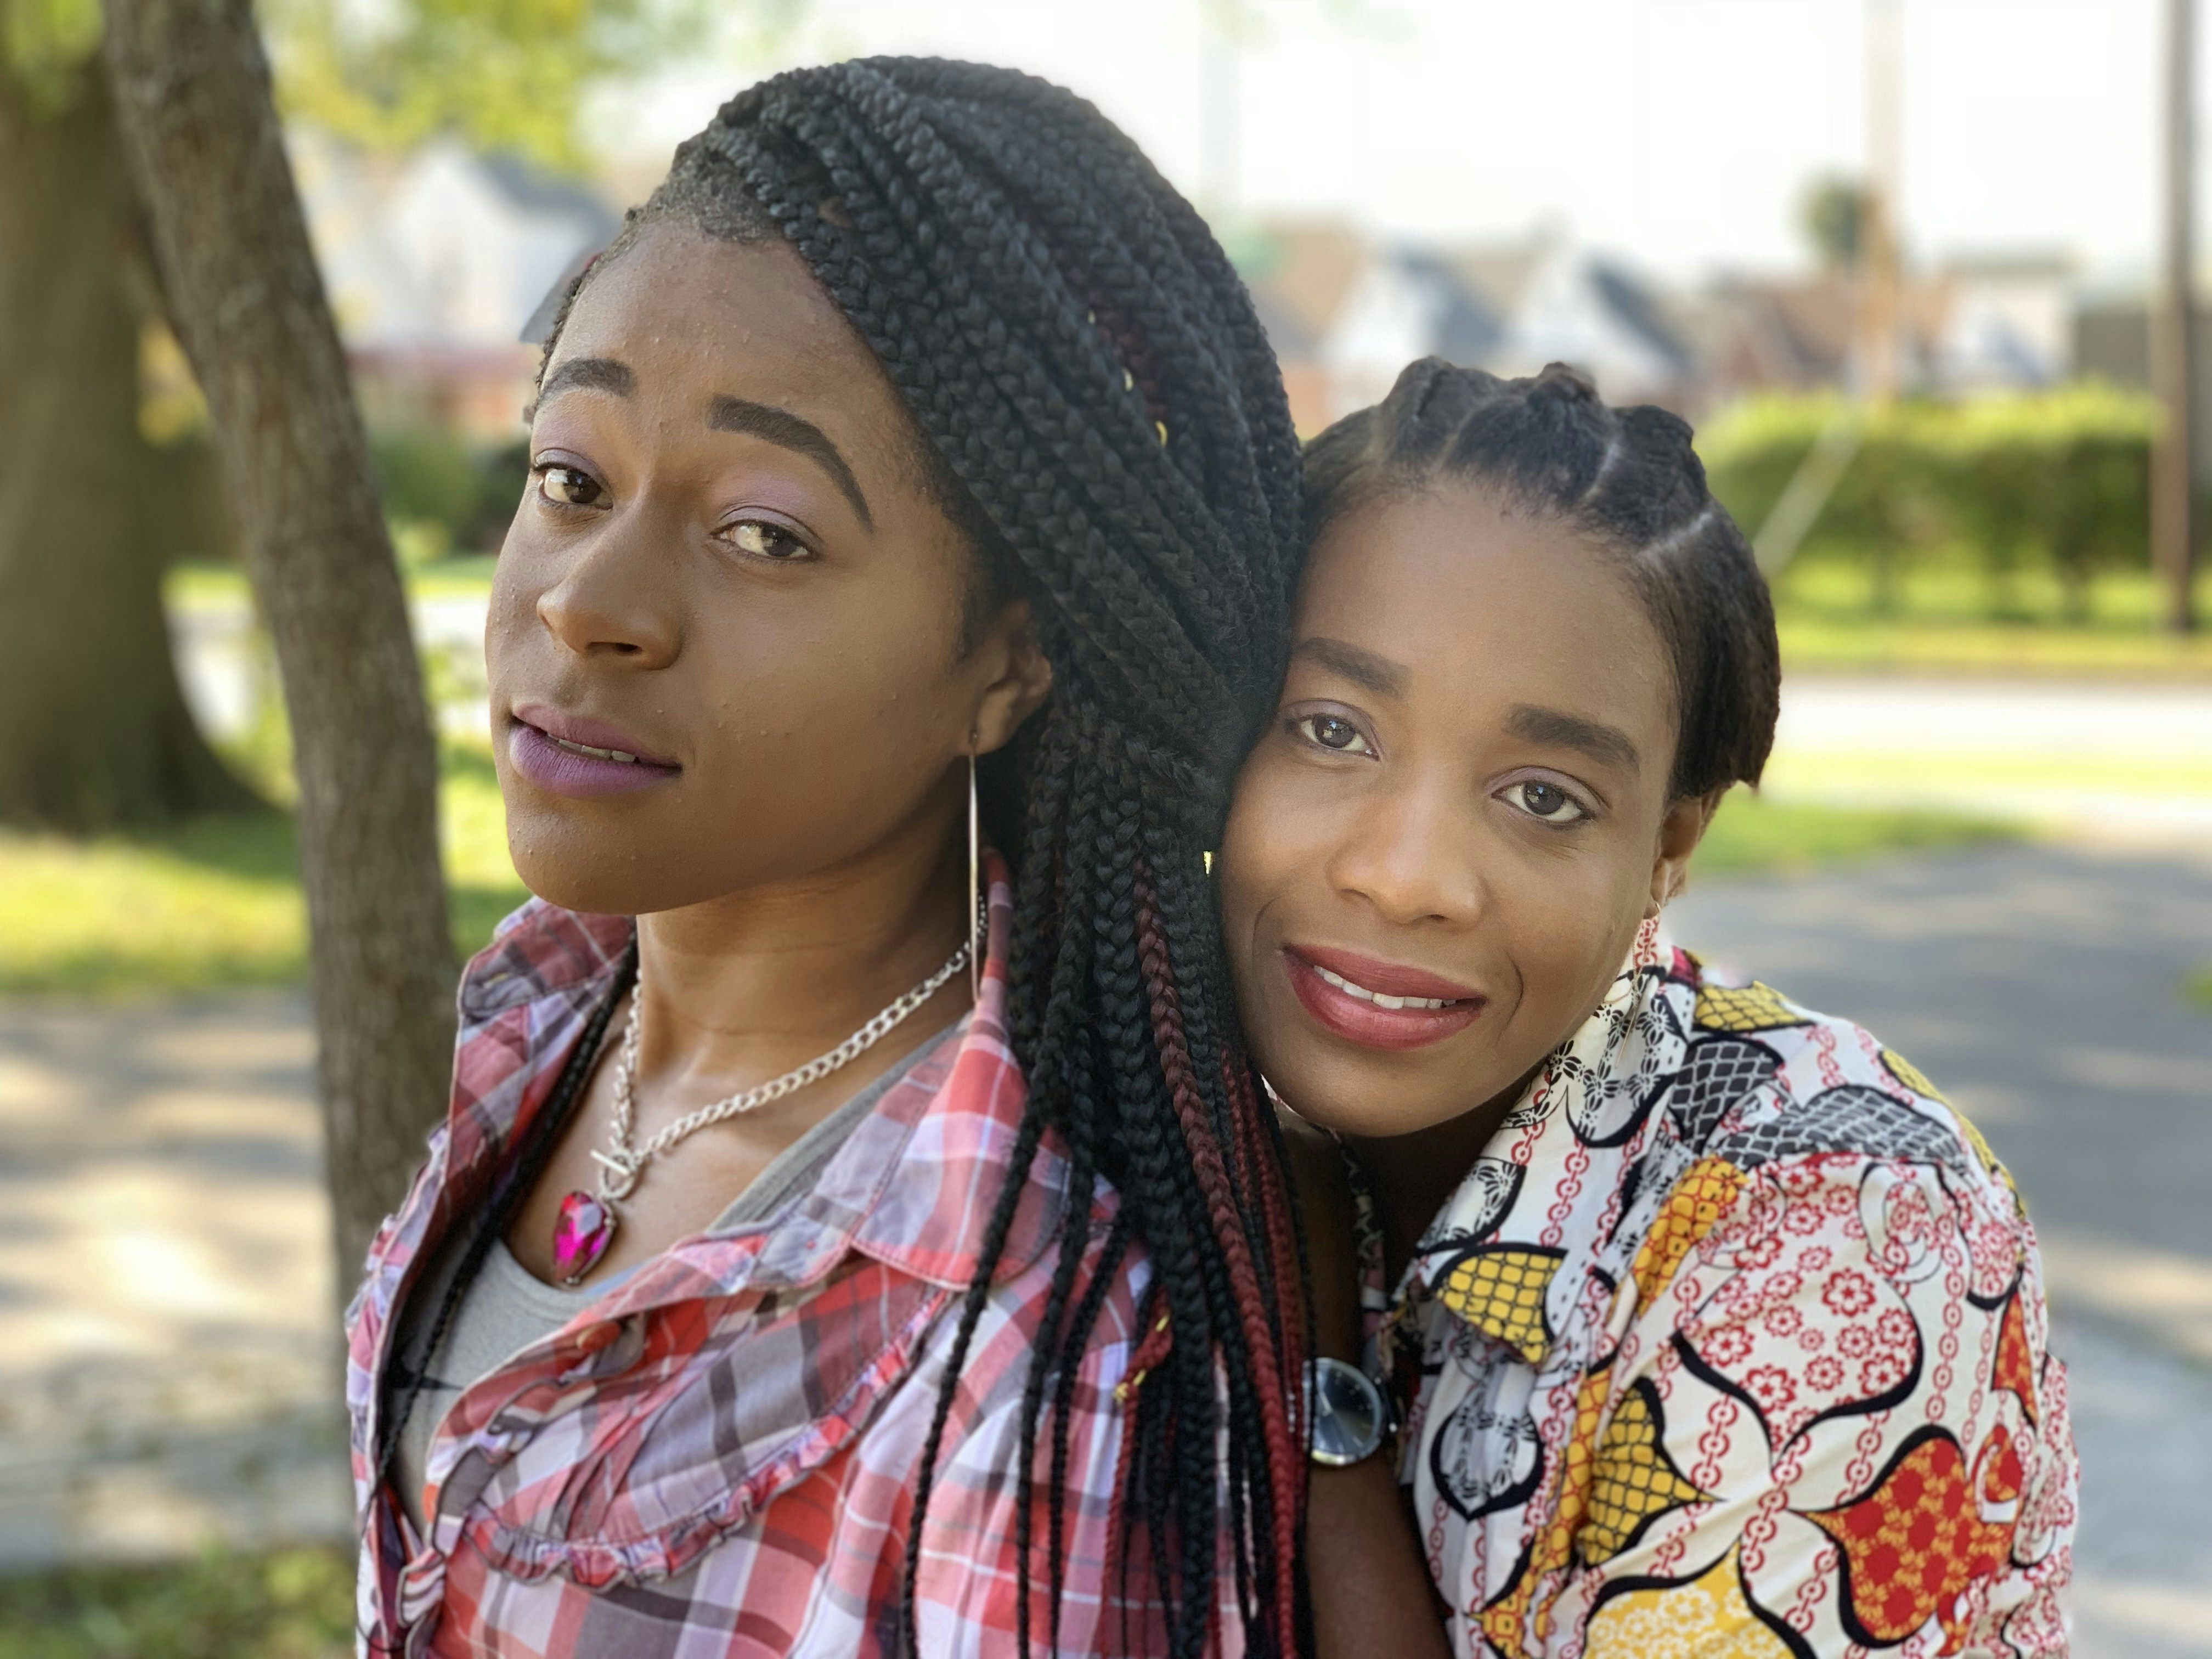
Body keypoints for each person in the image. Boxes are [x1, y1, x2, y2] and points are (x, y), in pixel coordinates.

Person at [344, 59, 1313, 1658]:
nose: (592, 600)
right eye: (571, 479)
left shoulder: (1035, 1333)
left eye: (765, 534)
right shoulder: (548, 1023)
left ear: (1009, 660)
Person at [1218, 360, 2078, 1658]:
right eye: (1332, 730)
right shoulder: (1131, 1111)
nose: (1404, 877)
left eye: (1545, 797)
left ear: (1670, 846)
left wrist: (1327, 1421)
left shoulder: (1846, 1229)